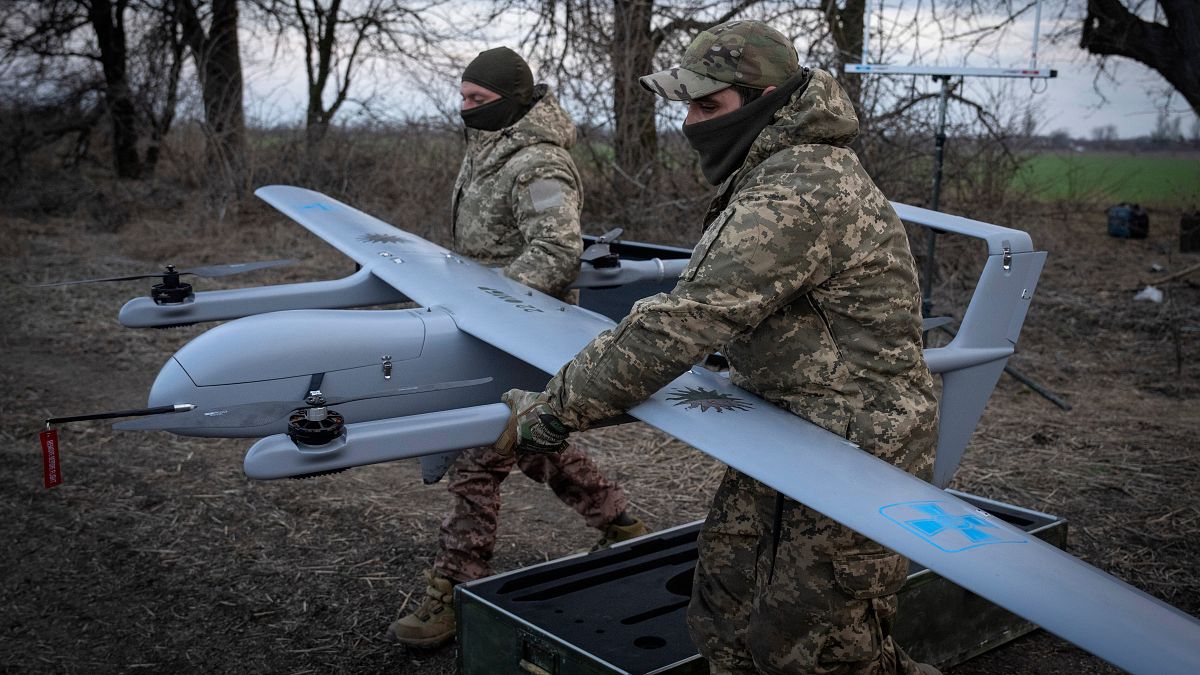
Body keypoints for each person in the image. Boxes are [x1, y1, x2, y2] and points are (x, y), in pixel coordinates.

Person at [497, 21, 941, 675]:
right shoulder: (776, 170)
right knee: (724, 605)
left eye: (708, 106)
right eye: (687, 104)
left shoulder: (794, 194)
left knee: (818, 650)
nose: (689, 122)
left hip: (856, 445)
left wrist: (548, 413)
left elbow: (678, 323)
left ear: (762, 99)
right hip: (789, 427)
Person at [387, 46, 647, 648]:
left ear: (508, 99)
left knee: (476, 458)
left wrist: (489, 301)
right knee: (532, 443)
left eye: (477, 100)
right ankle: (621, 523)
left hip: (522, 333)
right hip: (483, 330)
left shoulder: (538, 164)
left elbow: (556, 251)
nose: (464, 109)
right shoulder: (488, 148)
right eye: (463, 97)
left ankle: (451, 588)